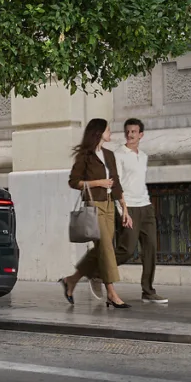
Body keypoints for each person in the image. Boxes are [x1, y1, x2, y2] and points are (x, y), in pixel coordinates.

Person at [58, 118, 133, 309]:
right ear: (98, 133)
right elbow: (73, 182)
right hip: (94, 204)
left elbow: (116, 182)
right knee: (106, 247)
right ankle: (112, 293)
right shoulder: (85, 156)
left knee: (102, 248)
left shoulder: (109, 154)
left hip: (109, 205)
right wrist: (98, 183)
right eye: (108, 130)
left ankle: (71, 280)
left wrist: (124, 208)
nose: (110, 133)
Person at [113, 118, 167, 303]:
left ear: (141, 135)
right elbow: (117, 184)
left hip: (145, 206)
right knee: (127, 250)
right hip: (129, 208)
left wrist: (148, 203)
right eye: (128, 131)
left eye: (134, 132)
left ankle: (148, 291)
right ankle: (98, 270)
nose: (130, 135)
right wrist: (123, 210)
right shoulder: (118, 154)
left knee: (151, 248)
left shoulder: (143, 156)